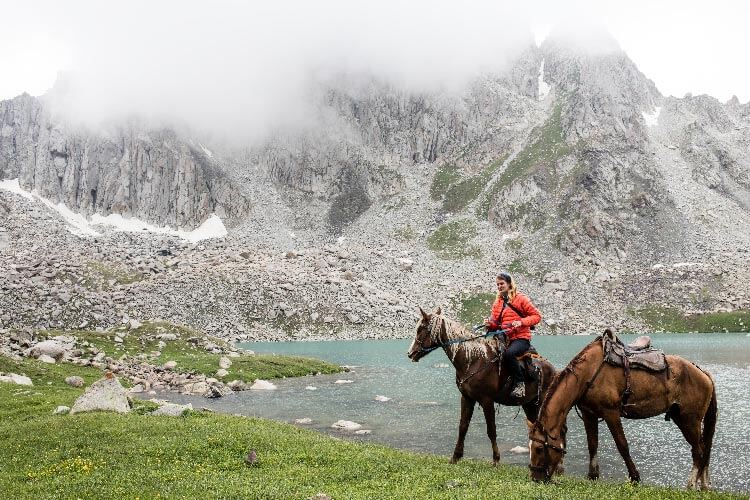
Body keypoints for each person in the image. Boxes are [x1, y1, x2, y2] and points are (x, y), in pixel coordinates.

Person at [484, 272, 541, 399]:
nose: (499, 286)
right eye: (497, 284)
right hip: (504, 338)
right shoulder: (497, 302)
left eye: (502, 283)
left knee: (509, 354)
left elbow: (537, 316)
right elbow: (496, 324)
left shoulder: (521, 298)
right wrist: (489, 324)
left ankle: (520, 384)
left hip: (521, 338)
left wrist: (521, 322)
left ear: (509, 284)